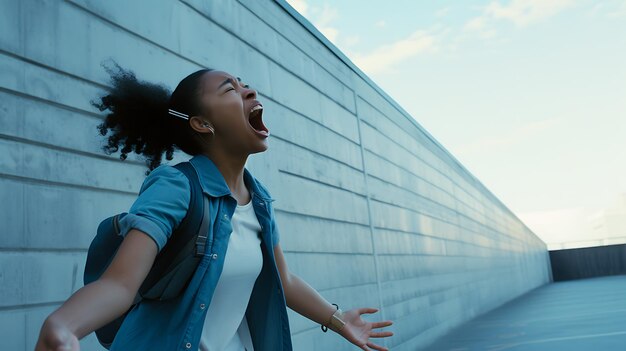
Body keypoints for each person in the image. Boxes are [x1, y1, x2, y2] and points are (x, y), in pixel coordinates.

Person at [34, 60, 394, 351]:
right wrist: (65, 326)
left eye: (244, 83)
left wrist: (339, 320)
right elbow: (120, 285)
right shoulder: (176, 186)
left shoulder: (260, 199)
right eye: (230, 89)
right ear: (202, 123)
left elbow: (283, 280)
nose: (249, 89)